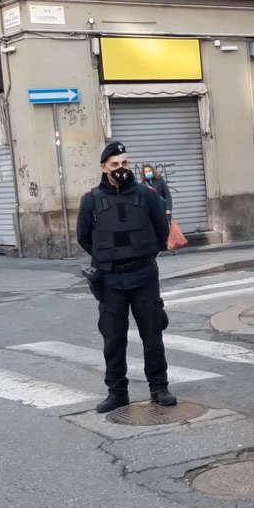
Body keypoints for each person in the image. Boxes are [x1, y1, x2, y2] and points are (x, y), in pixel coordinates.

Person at [77, 141, 176, 413]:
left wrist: (142, 254)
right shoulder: (91, 200)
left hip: (143, 275)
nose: (120, 169)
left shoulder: (147, 195)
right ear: (103, 167)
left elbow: (160, 231)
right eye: (114, 165)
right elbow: (84, 238)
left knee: (152, 335)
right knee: (113, 338)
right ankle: (117, 393)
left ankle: (159, 387)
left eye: (124, 163)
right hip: (110, 280)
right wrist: (109, 257)